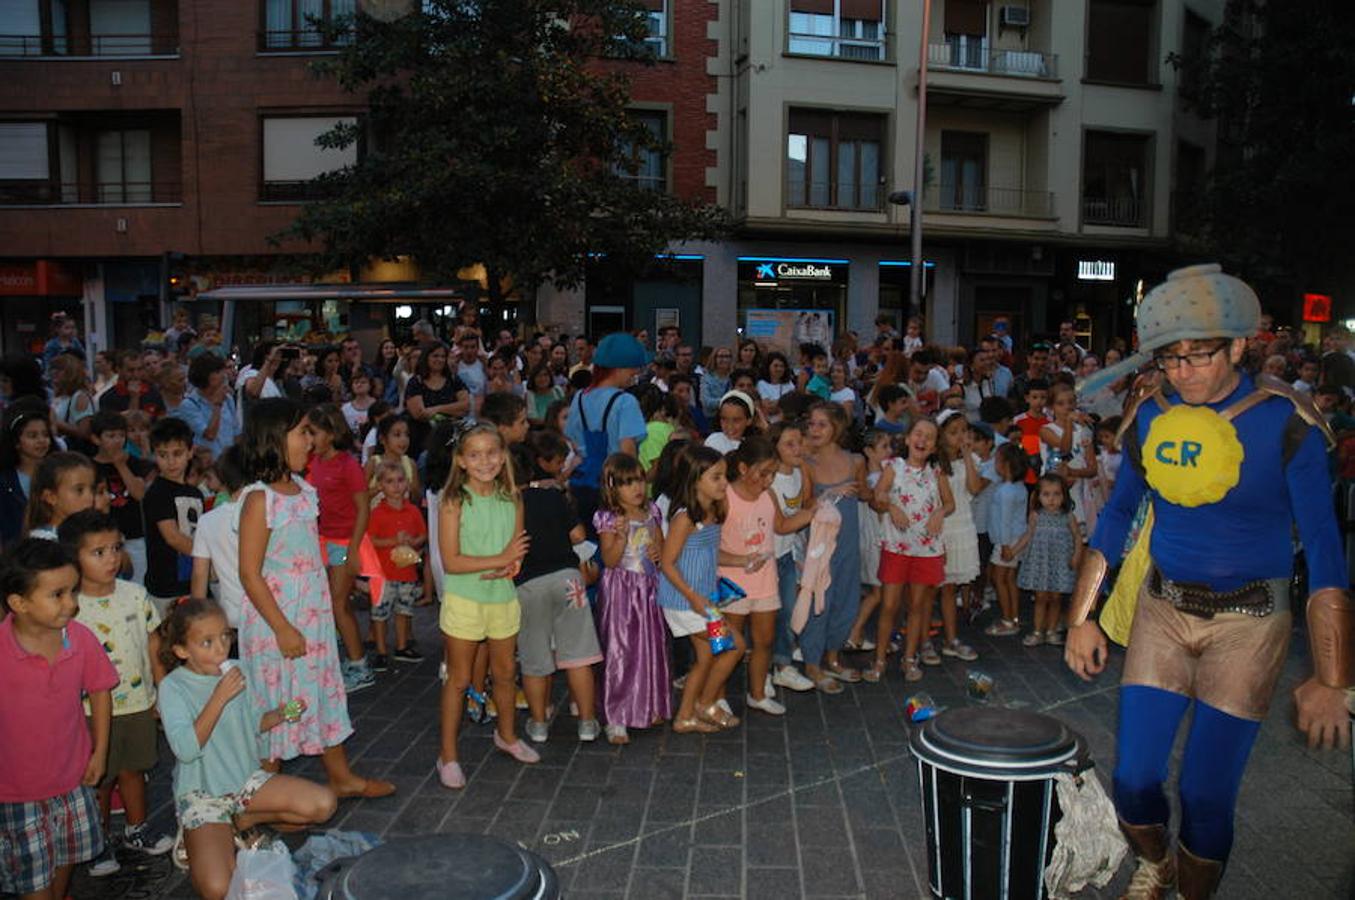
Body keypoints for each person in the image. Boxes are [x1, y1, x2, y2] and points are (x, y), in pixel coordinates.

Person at [1065, 264, 1353, 898]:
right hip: (1163, 612)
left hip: (1251, 625)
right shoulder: (1150, 411)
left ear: (1239, 347)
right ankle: (1156, 860)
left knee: (1204, 790)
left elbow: (1327, 548)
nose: (1182, 372)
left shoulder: (1287, 421)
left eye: (1197, 357)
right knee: (1135, 778)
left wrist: (1334, 678)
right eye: (1170, 360)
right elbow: (1117, 515)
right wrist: (1083, 617)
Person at [236, 399, 394, 800]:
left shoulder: (304, 490)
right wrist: (283, 628)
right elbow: (249, 573)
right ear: (275, 439)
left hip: (312, 618)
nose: (311, 440)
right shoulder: (260, 500)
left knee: (320, 690)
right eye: (303, 432)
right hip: (279, 624)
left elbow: (314, 549)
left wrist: (347, 566)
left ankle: (340, 775)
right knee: (280, 698)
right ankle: (265, 788)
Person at [156, 597, 338, 899]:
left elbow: (254, 722)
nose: (220, 648)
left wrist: (282, 714)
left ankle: (241, 821)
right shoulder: (173, 687)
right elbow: (186, 749)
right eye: (207, 642)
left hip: (245, 782)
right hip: (202, 794)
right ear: (181, 650)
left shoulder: (238, 669)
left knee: (323, 804)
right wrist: (219, 696)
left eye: (225, 636)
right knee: (217, 888)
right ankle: (201, 832)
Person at [0, 538, 118, 900]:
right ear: (18, 603)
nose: (72, 604)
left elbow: (100, 690)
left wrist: (99, 753)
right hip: (17, 793)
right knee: (34, 881)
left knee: (68, 855)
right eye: (58, 595)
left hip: (74, 779)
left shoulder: (79, 639)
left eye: (73, 591)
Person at [60, 511, 173, 875]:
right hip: (90, 711)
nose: (111, 558)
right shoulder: (70, 607)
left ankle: (136, 829)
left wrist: (161, 690)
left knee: (134, 769)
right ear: (73, 558)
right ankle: (99, 840)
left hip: (138, 703)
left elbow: (154, 645)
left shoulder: (135, 594)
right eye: (98, 552)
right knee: (99, 778)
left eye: (115, 548)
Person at [436, 424, 538, 789]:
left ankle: (507, 735)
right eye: (475, 454)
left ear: (503, 455)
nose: (485, 461)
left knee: (507, 673)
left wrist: (511, 565)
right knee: (460, 678)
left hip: (502, 598)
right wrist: (501, 558)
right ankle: (447, 754)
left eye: (492, 452)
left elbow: (517, 550)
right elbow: (451, 561)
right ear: (461, 460)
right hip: (465, 600)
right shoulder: (454, 501)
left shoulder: (512, 497)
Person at [508, 445, 601, 743]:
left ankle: (538, 724)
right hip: (567, 578)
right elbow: (578, 536)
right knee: (579, 655)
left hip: (528, 585)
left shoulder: (505, 505)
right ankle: (587, 722)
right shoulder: (551, 496)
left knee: (535, 659)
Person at [657, 444, 746, 731]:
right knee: (734, 646)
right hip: (687, 604)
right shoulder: (684, 517)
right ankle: (705, 704)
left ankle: (684, 717)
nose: (724, 483)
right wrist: (692, 596)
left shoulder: (713, 512)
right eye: (716, 477)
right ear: (696, 480)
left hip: (702, 601)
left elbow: (710, 553)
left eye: (724, 476)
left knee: (706, 657)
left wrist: (743, 560)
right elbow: (668, 563)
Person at [720, 437, 810, 715]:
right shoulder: (725, 497)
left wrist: (813, 513)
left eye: (772, 473)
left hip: (764, 581)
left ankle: (757, 694)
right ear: (744, 467)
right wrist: (740, 559)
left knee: (765, 640)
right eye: (763, 473)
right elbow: (709, 548)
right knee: (727, 644)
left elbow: (781, 526)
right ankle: (717, 695)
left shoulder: (768, 496)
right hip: (731, 584)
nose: (769, 480)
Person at [592, 453, 668, 743]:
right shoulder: (609, 519)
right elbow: (610, 561)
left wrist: (658, 554)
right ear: (612, 487)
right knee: (620, 648)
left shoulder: (652, 512)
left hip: (648, 588)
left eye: (638, 479)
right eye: (627, 483)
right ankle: (617, 714)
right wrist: (621, 537)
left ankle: (648, 703)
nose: (637, 487)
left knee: (650, 645)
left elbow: (659, 545)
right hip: (622, 590)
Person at [870, 419, 953, 683]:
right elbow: (878, 497)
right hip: (897, 546)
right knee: (889, 605)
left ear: (934, 445)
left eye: (929, 437)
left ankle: (909, 657)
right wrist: (892, 507)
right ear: (907, 439)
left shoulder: (937, 472)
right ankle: (880, 659)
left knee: (917, 605)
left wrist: (940, 511)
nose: (922, 440)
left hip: (927, 548)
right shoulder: (893, 467)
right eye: (918, 434)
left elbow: (950, 502)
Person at [303, 405, 374, 692]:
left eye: (314, 432)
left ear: (331, 434)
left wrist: (355, 549)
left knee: (338, 604)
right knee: (333, 604)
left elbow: (362, 510)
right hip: (324, 540)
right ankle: (351, 660)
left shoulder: (348, 466)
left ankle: (359, 665)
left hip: (344, 542)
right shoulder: (314, 463)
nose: (309, 438)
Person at [800, 402, 867, 690]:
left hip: (848, 542)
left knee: (845, 598)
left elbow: (868, 495)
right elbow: (804, 506)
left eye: (822, 424)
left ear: (836, 428)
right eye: (812, 423)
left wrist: (868, 491)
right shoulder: (806, 463)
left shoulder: (856, 461)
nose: (814, 429)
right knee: (818, 599)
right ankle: (812, 663)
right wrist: (830, 493)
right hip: (819, 546)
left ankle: (833, 656)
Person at [564, 332, 649, 539]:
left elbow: (573, 443)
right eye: (633, 368)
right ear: (618, 368)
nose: (635, 373)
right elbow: (628, 450)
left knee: (591, 545)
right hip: (614, 487)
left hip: (584, 484)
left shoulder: (579, 398)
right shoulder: (625, 401)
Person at [766, 421, 816, 692]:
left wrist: (805, 468)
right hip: (765, 557)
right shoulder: (770, 480)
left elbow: (805, 499)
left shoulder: (797, 471)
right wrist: (814, 512)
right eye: (789, 444)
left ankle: (782, 664)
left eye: (800, 442)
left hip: (785, 553)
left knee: (786, 610)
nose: (798, 448)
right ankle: (764, 667)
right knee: (767, 616)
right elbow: (781, 525)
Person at [365, 459, 427, 666]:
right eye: (390, 481)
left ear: (407, 483)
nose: (396, 486)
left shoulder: (413, 511)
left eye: (400, 480)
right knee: (380, 614)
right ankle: (381, 650)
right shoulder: (377, 513)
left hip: (407, 572)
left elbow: (422, 535)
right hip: (383, 574)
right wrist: (393, 541)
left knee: (404, 611)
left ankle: (401, 646)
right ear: (381, 486)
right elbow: (371, 540)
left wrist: (413, 541)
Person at [1008, 473, 1082, 647]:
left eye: (1056, 494)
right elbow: (1028, 535)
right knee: (1040, 597)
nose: (1051, 499)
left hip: (1060, 562)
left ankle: (1051, 629)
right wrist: (1014, 551)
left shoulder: (1068, 516)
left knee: (1056, 597)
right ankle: (1037, 630)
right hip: (1041, 562)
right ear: (1038, 496)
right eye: (1046, 494)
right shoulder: (1036, 515)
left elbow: (1078, 536)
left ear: (1064, 496)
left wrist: (1077, 555)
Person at [935, 410, 982, 661]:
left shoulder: (970, 458)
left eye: (964, 431)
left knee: (950, 588)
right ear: (941, 436)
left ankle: (951, 638)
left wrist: (967, 456)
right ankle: (921, 638)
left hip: (962, 526)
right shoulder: (935, 464)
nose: (961, 437)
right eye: (954, 433)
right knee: (933, 588)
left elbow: (974, 488)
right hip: (941, 529)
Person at [142, 417, 202, 614]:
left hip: (193, 580)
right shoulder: (157, 493)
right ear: (154, 455)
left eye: (177, 453)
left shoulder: (196, 493)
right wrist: (208, 556)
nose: (171, 462)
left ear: (190, 452)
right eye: (163, 455)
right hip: (165, 584)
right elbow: (173, 537)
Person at [190, 446, 247, 628]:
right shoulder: (268, 514)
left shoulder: (207, 521)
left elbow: (200, 575)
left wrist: (199, 624)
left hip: (230, 618)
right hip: (268, 616)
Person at [845, 429, 890, 659]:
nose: (889, 452)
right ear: (868, 452)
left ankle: (857, 632)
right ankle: (854, 632)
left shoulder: (870, 478)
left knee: (873, 591)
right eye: (884, 448)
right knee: (877, 592)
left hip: (869, 537)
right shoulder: (875, 480)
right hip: (875, 539)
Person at [985, 443, 1028, 637]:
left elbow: (1004, 521)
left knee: (999, 579)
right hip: (1015, 540)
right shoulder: (1019, 488)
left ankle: (1007, 619)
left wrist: (1004, 545)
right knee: (1010, 579)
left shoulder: (1006, 492)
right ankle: (1014, 616)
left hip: (1006, 542)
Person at [403, 342, 471, 457]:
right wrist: (453, 409)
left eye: (443, 356)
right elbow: (419, 413)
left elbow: (465, 406)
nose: (439, 359)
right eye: (435, 356)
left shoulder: (453, 380)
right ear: (426, 357)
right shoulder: (416, 382)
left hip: (451, 438)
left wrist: (436, 409)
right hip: (422, 439)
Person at [1, 404, 53, 546]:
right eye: (32, 436)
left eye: (45, 435)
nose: (41, 440)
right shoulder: (5, 481)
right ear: (17, 442)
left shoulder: (59, 474)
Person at [178, 353, 239, 461]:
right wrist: (217, 406)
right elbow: (209, 434)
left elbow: (236, 432)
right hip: (207, 462)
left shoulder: (228, 399)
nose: (223, 375)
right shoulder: (189, 405)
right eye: (217, 372)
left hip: (228, 462)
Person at [23, 451, 95, 540]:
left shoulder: (84, 533)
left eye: (92, 489)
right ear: (51, 497)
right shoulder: (42, 543)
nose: (90, 497)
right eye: (79, 490)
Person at [364, 414, 421, 499]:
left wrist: (409, 487)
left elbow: (416, 497)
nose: (403, 439)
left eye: (406, 435)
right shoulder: (373, 464)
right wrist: (379, 488)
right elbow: (361, 497)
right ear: (382, 439)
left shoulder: (410, 463)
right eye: (397, 435)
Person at [99, 350, 164, 418]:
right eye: (130, 370)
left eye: (139, 369)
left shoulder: (153, 392)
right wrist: (134, 398)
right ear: (119, 370)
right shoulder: (108, 398)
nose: (136, 375)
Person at [705, 390, 756, 454]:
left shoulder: (754, 448)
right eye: (724, 419)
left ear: (749, 420)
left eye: (736, 420)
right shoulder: (713, 441)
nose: (729, 426)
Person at [756, 352, 795, 424]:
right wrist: (785, 401)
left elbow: (792, 406)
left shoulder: (789, 384)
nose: (779, 369)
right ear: (768, 367)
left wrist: (775, 403)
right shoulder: (761, 384)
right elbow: (768, 408)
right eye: (776, 366)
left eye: (782, 366)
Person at [699, 346, 734, 419]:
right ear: (714, 358)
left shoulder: (733, 377)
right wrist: (727, 401)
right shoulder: (706, 378)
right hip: (711, 418)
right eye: (721, 356)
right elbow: (706, 402)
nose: (724, 359)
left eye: (727, 356)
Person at [341, 370, 377, 438]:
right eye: (356, 382)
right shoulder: (345, 408)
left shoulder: (378, 405)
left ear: (370, 385)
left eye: (363, 382)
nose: (359, 385)